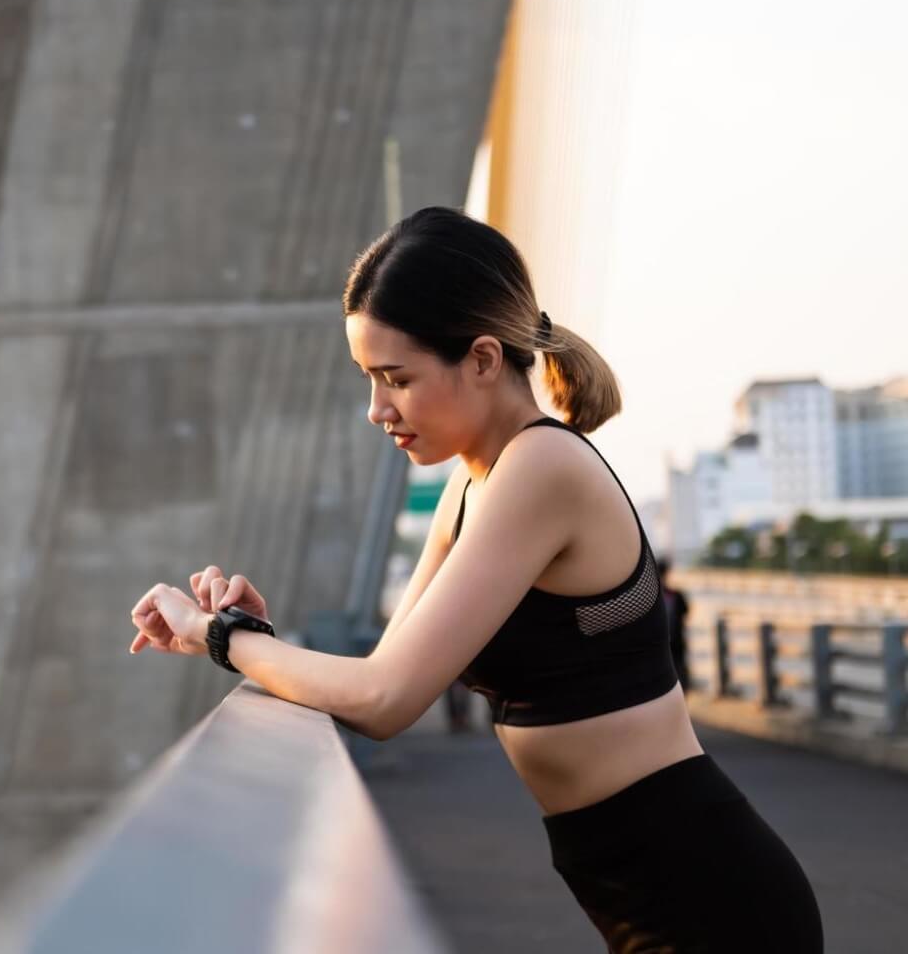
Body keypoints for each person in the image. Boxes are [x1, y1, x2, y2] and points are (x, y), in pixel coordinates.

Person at [127, 206, 824, 952]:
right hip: (636, 889)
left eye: (396, 378)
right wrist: (254, 638)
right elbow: (382, 679)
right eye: (369, 379)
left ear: (485, 360)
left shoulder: (543, 467)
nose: (376, 409)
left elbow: (387, 701)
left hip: (709, 895)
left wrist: (219, 637)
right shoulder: (472, 484)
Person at [657, 557, 691, 692]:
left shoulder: (650, 598)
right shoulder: (676, 595)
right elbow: (686, 612)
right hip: (677, 645)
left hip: (659, 647)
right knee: (680, 678)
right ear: (667, 573)